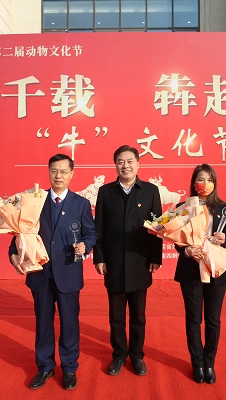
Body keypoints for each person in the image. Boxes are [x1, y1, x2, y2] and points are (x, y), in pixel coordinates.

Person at [8, 154, 97, 390]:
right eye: (54, 171)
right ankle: (45, 366)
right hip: (40, 272)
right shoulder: (35, 201)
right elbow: (19, 231)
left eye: (63, 171)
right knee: (43, 323)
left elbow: (91, 233)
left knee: (69, 323)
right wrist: (13, 253)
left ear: (72, 174)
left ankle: (69, 367)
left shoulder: (81, 204)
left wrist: (85, 245)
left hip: (68, 272)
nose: (58, 176)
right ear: (48, 172)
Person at [94, 145, 163, 376]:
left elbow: (158, 227)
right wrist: (99, 257)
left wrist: (155, 257)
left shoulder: (150, 191)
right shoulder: (105, 192)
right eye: (121, 162)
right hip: (113, 262)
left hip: (140, 262)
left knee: (138, 316)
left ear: (138, 164)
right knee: (116, 316)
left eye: (130, 161)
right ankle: (119, 355)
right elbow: (98, 227)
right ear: (115, 165)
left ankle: (137, 355)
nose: (125, 166)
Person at [173, 164, 226, 385]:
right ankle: (196, 363)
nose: (205, 184)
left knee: (213, 320)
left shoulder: (223, 208)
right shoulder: (183, 208)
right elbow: (176, 239)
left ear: (214, 183)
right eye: (201, 179)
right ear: (193, 183)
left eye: (209, 180)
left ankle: (209, 362)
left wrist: (223, 239)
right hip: (191, 271)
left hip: (216, 269)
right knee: (193, 319)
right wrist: (187, 251)